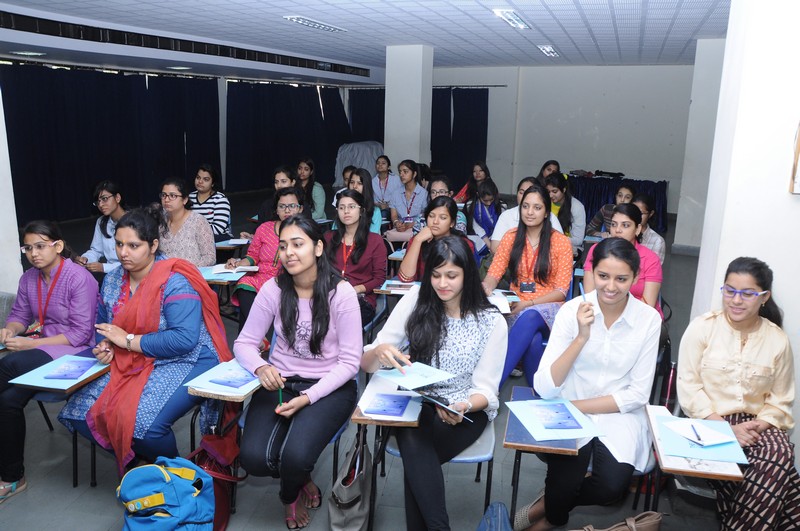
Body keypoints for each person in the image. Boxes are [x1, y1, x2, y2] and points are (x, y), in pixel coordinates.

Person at [58, 206, 231, 473]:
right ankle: (142, 461)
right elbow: (104, 325)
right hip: (133, 357)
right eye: (119, 244)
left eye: (133, 245)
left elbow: (184, 339)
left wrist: (126, 341)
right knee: (79, 412)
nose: (123, 253)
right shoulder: (113, 280)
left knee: (145, 426)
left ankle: (178, 475)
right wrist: (105, 345)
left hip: (188, 358)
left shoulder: (174, 281)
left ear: (153, 245)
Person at [515, 238, 661, 531]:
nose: (610, 287)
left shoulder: (648, 320)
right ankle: (552, 514)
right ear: (591, 273)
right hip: (569, 412)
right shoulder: (572, 311)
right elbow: (545, 386)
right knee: (565, 482)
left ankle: (547, 507)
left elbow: (637, 394)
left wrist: (575, 406)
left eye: (621, 279)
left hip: (616, 413)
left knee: (610, 488)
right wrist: (581, 337)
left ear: (635, 278)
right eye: (603, 276)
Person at [362, 236, 508, 531]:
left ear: (468, 275)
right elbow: (366, 364)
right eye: (436, 275)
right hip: (417, 402)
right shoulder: (416, 300)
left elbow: (486, 390)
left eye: (452, 276)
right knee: (414, 436)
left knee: (416, 457)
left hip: (465, 409)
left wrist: (463, 405)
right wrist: (379, 352)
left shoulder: (491, 321)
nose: (442, 283)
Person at [234, 216, 360, 530]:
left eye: (297, 244)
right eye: (283, 246)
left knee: (295, 457)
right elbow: (244, 343)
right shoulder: (273, 289)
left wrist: (308, 397)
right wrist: (262, 366)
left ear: (318, 248)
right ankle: (301, 480)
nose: (289, 252)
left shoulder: (340, 293)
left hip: (329, 387)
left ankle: (289, 494)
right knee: (253, 458)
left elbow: (350, 362)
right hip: (281, 382)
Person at [677, 257, 799, 529]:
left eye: (747, 294)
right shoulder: (703, 328)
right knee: (781, 472)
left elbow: (780, 401)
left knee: (778, 453)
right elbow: (689, 388)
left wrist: (752, 428)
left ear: (764, 297)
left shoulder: (777, 339)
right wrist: (726, 430)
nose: (736, 300)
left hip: (758, 425)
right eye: (730, 291)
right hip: (707, 421)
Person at [0, 221, 98, 503]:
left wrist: (30, 343)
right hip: (44, 347)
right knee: (7, 401)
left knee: (9, 366)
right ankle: (13, 477)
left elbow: (80, 334)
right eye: (28, 248)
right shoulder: (28, 278)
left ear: (58, 246)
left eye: (40, 246)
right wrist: (11, 330)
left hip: (77, 351)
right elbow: (19, 315)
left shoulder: (78, 277)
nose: (34, 253)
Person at [482, 185, 573, 387]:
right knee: (533, 340)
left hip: (550, 308)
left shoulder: (561, 242)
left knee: (530, 315)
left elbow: (561, 292)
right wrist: (486, 286)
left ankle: (491, 387)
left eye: (537, 207)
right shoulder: (511, 237)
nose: (530, 212)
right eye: (526, 206)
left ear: (546, 212)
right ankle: (538, 391)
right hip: (515, 305)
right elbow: (494, 273)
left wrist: (529, 304)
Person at [228, 187, 304, 331]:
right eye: (282, 206)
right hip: (260, 277)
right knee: (244, 284)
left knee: (248, 317)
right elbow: (252, 255)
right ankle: (258, 336)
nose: (287, 210)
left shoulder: (305, 232)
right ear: (276, 210)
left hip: (286, 280)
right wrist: (238, 263)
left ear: (300, 209)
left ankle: (253, 338)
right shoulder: (264, 228)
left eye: (292, 206)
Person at [583, 203, 663, 317]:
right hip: (601, 313)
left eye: (625, 225)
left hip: (639, 317)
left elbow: (648, 305)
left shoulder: (650, 259)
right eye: (613, 224)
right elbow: (589, 295)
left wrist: (615, 313)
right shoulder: (597, 250)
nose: (617, 230)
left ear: (638, 229)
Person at [325, 189, 387, 325]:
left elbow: (379, 279)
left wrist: (355, 290)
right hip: (330, 296)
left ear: (361, 211)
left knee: (339, 322)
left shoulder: (374, 241)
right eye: (341, 207)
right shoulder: (329, 238)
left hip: (360, 299)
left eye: (351, 207)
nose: (346, 211)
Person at [399, 196, 474, 282]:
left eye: (443, 218)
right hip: (423, 289)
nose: (435, 222)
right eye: (431, 216)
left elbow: (467, 280)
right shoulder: (418, 240)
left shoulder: (463, 244)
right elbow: (405, 277)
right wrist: (417, 240)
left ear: (452, 223)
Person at [489, 177, 564, 254]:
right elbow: (495, 248)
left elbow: (560, 248)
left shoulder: (551, 217)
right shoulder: (507, 217)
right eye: (521, 192)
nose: (530, 212)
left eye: (529, 192)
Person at [158, 178, 216, 267]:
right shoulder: (159, 221)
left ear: (185, 200)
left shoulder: (198, 221)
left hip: (193, 272)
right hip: (166, 273)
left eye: (172, 196)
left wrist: (186, 269)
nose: (166, 200)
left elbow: (210, 257)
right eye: (164, 195)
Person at [77, 180, 126, 275]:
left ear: (117, 198)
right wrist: (86, 259)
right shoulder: (101, 221)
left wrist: (104, 267)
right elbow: (96, 250)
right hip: (112, 275)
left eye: (104, 199)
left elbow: (136, 260)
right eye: (98, 202)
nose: (100, 205)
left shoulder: (134, 221)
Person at [386, 159, 429, 244]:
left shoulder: (424, 194)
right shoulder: (395, 193)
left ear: (414, 174)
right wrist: (396, 223)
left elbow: (425, 215)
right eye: (400, 172)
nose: (401, 175)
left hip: (417, 229)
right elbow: (394, 215)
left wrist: (412, 224)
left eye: (405, 172)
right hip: (400, 230)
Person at [189, 163, 233, 242]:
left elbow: (217, 229)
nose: (200, 181)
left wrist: (191, 230)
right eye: (198, 178)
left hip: (218, 240)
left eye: (206, 179)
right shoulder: (189, 197)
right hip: (193, 238)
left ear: (213, 183)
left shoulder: (220, 200)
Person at [544, 173, 586, 256]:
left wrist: (554, 239)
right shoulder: (544, 203)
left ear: (564, 189)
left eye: (554, 191)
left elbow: (578, 240)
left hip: (568, 247)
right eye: (548, 192)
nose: (550, 195)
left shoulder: (577, 207)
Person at [251, 165, 299, 235]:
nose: (279, 185)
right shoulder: (266, 205)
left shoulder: (301, 204)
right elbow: (258, 230)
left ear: (293, 182)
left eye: (283, 181)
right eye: (276, 182)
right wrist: (251, 236)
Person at [465, 178, 505, 252]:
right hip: (478, 235)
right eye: (485, 200)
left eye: (491, 199)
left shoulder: (502, 205)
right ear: (478, 195)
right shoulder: (470, 205)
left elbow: (501, 227)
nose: (489, 203)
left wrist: (493, 244)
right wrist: (489, 245)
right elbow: (476, 227)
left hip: (496, 236)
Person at [632, 193, 665, 265]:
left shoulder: (657, 241)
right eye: (633, 212)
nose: (636, 216)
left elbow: (654, 268)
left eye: (641, 213)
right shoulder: (624, 233)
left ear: (650, 214)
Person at [347, 167, 382, 233]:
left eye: (359, 183)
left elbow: (372, 236)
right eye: (352, 182)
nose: (354, 186)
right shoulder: (343, 208)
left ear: (366, 186)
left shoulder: (375, 211)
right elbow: (336, 232)